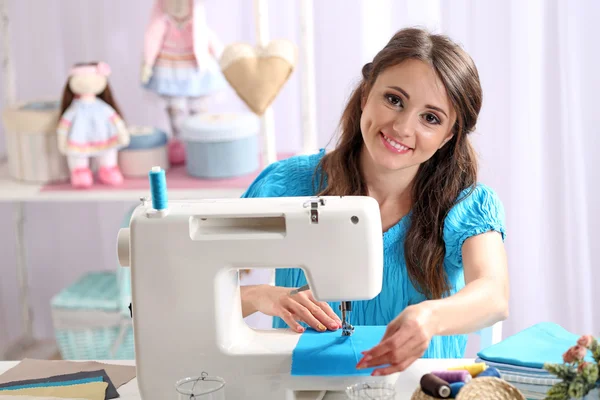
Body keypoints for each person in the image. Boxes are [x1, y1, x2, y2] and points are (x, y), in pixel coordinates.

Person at [239, 27, 509, 376]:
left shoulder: (466, 204)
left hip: (420, 390)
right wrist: (261, 296)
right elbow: (199, 288)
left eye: (430, 118)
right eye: (394, 99)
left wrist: (429, 317)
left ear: (448, 136)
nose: (402, 127)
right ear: (366, 93)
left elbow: (493, 294)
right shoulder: (287, 186)